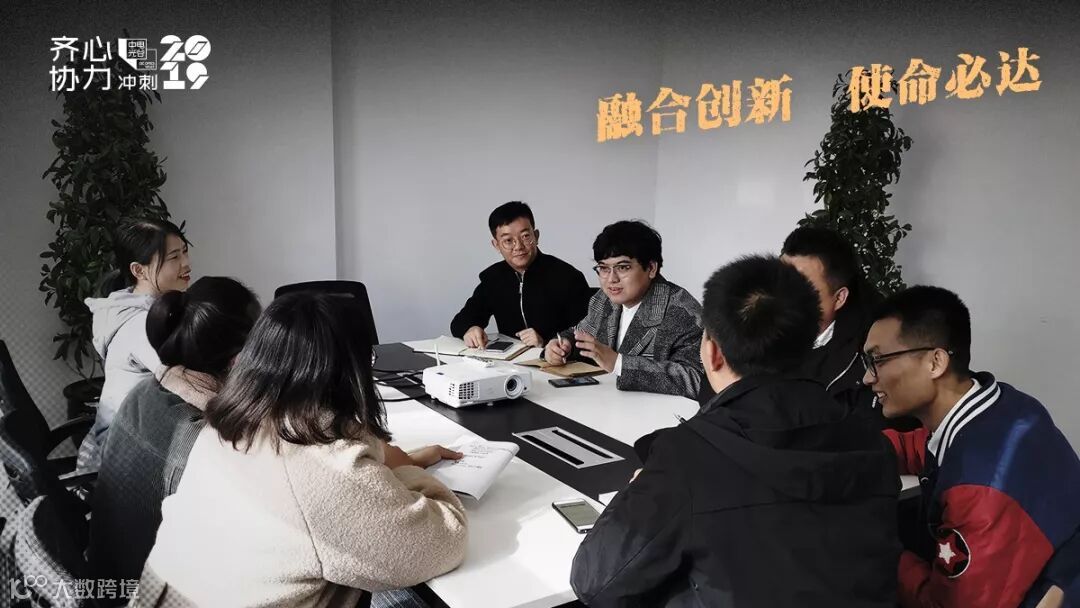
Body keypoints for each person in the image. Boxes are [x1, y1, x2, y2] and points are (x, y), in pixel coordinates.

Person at [571, 255, 900, 607]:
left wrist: (636, 492)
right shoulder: (871, 441)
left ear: (712, 353)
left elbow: (593, 581)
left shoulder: (687, 457)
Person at [138, 292, 468, 607]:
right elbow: (443, 542)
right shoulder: (324, 465)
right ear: (352, 371)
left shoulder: (224, 428)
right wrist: (404, 472)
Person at [864, 286, 1080, 607]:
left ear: (935, 362)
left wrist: (874, 547)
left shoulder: (979, 491)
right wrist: (856, 454)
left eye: (877, 360)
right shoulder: (1007, 406)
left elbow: (949, 604)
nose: (868, 378)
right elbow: (927, 446)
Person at [88, 277, 260, 600]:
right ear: (238, 360)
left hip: (110, 579)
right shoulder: (205, 444)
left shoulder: (146, 391)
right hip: (149, 594)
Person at [77, 218, 191, 471]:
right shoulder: (140, 324)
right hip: (123, 462)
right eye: (174, 257)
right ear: (139, 270)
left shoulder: (159, 309)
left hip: (138, 440)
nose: (186, 263)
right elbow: (186, 383)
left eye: (184, 252)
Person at [544, 220, 703, 399]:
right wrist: (562, 345)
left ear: (651, 268)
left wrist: (619, 363)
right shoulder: (603, 299)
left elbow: (695, 379)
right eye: (604, 268)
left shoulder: (683, 312)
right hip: (608, 404)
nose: (612, 279)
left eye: (623, 267)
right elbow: (579, 333)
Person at [451, 201, 592, 348]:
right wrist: (470, 329)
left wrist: (545, 342)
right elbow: (460, 321)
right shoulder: (493, 278)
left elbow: (587, 333)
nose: (518, 246)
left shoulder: (568, 277)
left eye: (525, 236)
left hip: (558, 359)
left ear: (536, 236)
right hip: (512, 361)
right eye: (508, 240)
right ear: (496, 245)